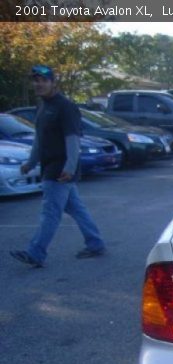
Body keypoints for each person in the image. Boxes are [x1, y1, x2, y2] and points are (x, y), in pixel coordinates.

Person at [10, 65, 105, 268]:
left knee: (50, 212)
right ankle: (95, 243)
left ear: (54, 83)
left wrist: (69, 168)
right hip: (49, 166)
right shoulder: (42, 106)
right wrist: (31, 162)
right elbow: (40, 139)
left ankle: (36, 252)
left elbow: (73, 140)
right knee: (77, 209)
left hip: (60, 170)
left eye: (43, 80)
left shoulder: (65, 106)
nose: (38, 84)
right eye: (35, 80)